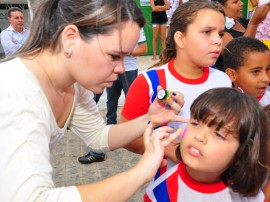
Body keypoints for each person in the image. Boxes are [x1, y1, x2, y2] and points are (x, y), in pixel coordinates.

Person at [0, 0, 188, 201]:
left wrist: (150, 118)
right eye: (114, 55)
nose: (121, 68)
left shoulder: (73, 84)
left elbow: (98, 136)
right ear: (70, 38)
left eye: (125, 57)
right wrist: (142, 171)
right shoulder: (16, 92)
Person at [120, 1, 232, 177]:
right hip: (168, 186)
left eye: (221, 33)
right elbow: (124, 136)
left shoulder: (223, 80)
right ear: (180, 39)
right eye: (207, 32)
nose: (218, 41)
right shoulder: (149, 82)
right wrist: (171, 150)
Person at [144, 87, 269, 201]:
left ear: (242, 154)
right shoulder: (159, 193)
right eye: (195, 124)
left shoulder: (252, 197)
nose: (199, 136)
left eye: (219, 135)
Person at [78, 28, 148, 164]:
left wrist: (124, 52)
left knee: (134, 105)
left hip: (128, 70)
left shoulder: (136, 28)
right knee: (111, 101)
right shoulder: (110, 25)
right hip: (111, 69)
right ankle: (106, 141)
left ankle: (140, 140)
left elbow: (144, 49)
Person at [214, 0, 269, 71]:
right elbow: (238, 55)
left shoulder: (243, 22)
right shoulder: (219, 30)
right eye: (235, 2)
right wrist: (253, 23)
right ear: (221, 7)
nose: (242, 3)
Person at [224, 36, 270, 106]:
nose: (266, 79)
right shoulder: (222, 106)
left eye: (267, 69)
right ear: (232, 75)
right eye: (256, 71)